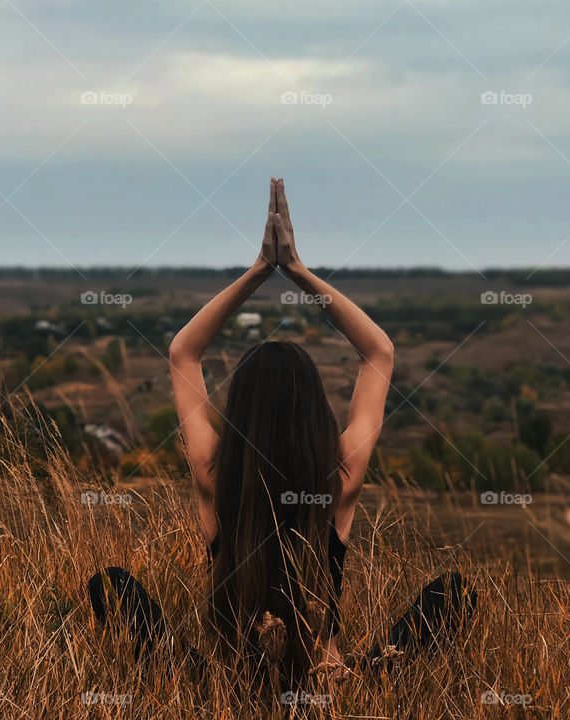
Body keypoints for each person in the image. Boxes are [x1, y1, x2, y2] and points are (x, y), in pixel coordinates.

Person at [88, 178, 475, 689]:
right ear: (314, 411)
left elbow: (184, 352)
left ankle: (195, 681)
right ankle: (357, 679)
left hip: (228, 685)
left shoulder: (215, 474)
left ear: (241, 411)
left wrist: (258, 271)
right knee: (456, 594)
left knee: (110, 587)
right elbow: (379, 352)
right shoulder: (340, 475)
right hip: (319, 685)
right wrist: (298, 271)